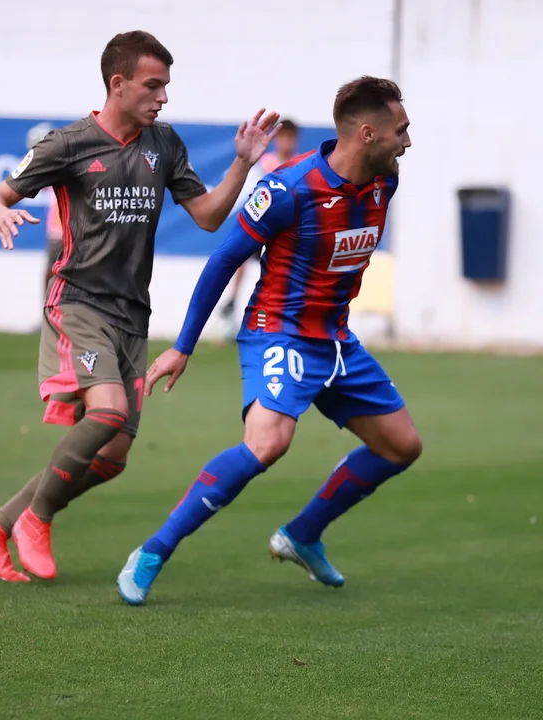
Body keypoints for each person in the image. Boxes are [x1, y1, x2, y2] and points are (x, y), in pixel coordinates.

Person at [0, 30, 280, 583]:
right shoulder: (68, 143)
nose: (163, 97)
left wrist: (242, 164)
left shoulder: (164, 144)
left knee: (111, 456)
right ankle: (36, 518)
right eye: (153, 85)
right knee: (105, 413)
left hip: (133, 315)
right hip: (78, 302)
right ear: (118, 83)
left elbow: (207, 216)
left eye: (166, 86)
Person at [117, 76, 422, 606]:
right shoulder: (288, 189)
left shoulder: (384, 181)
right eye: (401, 130)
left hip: (335, 339)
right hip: (278, 331)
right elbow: (224, 260)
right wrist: (184, 345)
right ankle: (152, 551)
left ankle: (302, 535)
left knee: (401, 446)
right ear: (368, 134)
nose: (408, 142)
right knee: (267, 444)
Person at [218, 119, 300, 322]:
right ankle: (232, 299)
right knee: (241, 256)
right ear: (277, 139)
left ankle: (283, 306)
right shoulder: (265, 163)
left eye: (290, 138)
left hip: (286, 227)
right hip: (264, 222)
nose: (287, 142)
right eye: (284, 138)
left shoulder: (299, 164)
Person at [24, 122, 65, 294]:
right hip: (58, 231)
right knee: (51, 274)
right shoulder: (56, 165)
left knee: (55, 274)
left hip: (63, 231)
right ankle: (48, 308)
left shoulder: (62, 164)